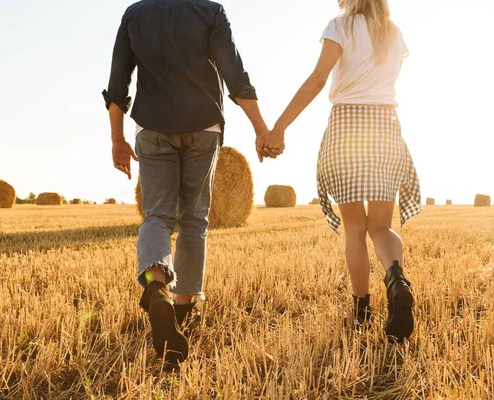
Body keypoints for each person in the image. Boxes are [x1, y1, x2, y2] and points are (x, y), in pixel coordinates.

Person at [103, 0, 280, 366]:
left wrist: (117, 139)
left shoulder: (135, 14)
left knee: (157, 216)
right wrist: (261, 127)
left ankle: (155, 285)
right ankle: (183, 309)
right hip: (203, 126)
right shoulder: (210, 12)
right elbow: (235, 73)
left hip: (152, 127)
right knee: (194, 221)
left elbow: (117, 84)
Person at [262, 0, 421, 342]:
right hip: (386, 127)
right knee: (381, 226)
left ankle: (362, 311)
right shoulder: (394, 33)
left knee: (354, 226)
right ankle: (396, 280)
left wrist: (279, 126)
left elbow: (319, 79)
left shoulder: (341, 25)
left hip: (347, 126)